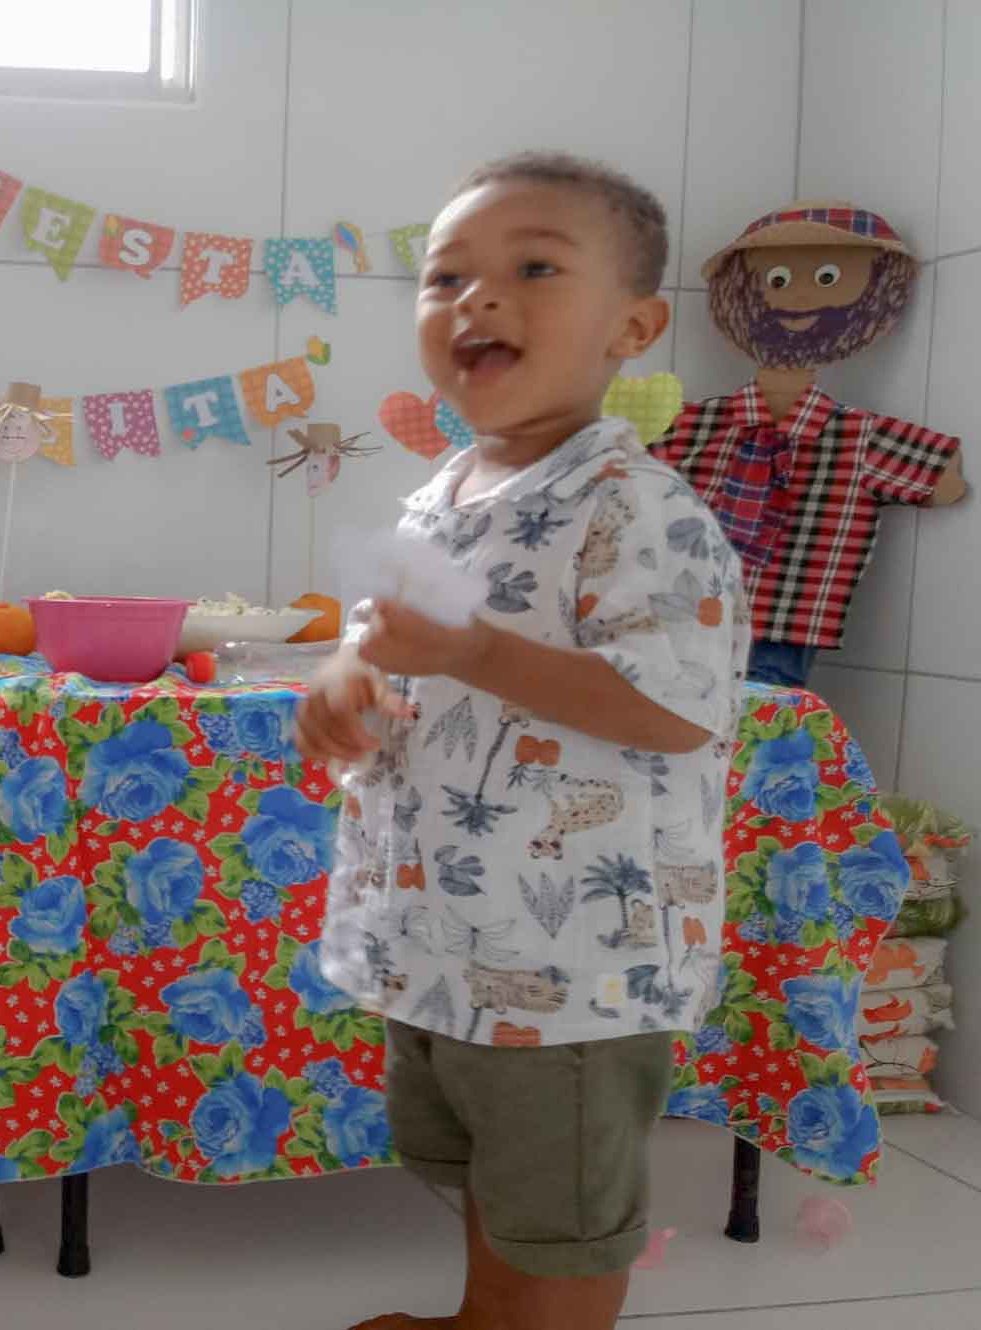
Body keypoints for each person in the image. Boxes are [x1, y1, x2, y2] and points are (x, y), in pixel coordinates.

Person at [294, 153, 749, 1330]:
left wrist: (478, 653)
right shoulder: (437, 496)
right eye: (447, 276)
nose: (476, 298)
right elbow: (380, 640)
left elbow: (673, 706)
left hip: (575, 970)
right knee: (494, 1179)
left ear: (631, 327)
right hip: (449, 936)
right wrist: (343, 679)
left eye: (533, 267)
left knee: (564, 1215)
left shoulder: (637, 507)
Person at [649, 201, 965, 690]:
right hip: (678, 614)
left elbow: (945, 480)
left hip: (780, 626)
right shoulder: (693, 424)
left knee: (758, 732)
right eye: (777, 279)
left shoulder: (856, 437)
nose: (796, 295)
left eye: (825, 278)